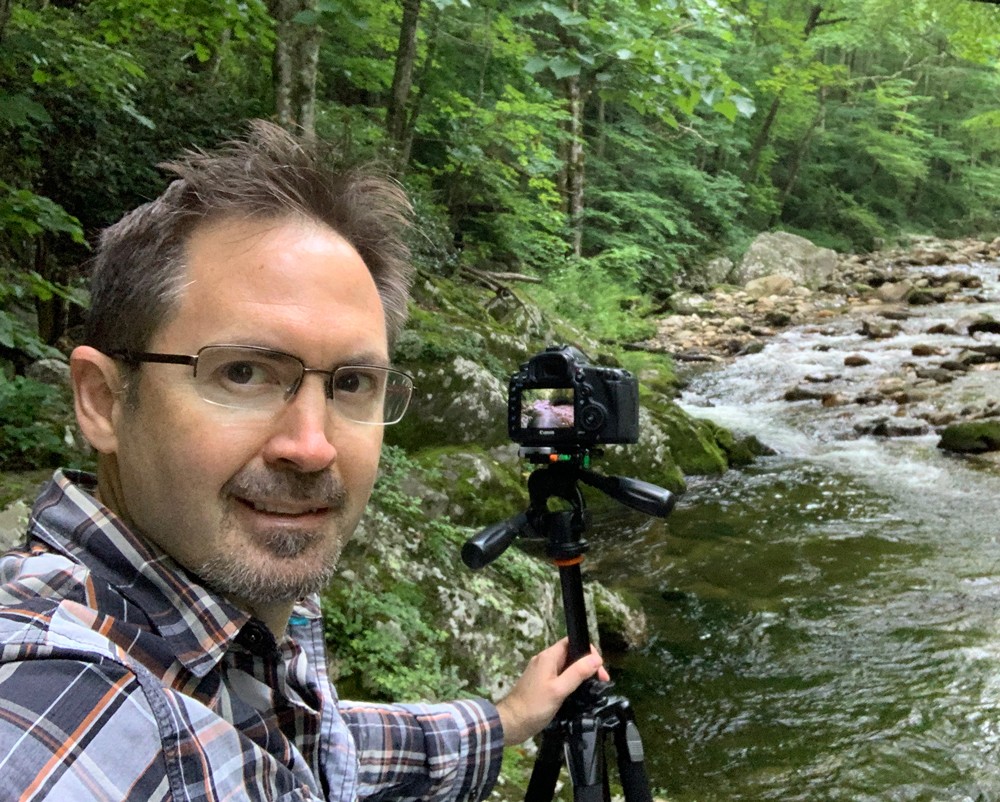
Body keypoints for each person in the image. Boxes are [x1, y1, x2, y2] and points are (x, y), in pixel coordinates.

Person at [0, 121, 608, 801]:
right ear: (104, 401)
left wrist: (505, 719)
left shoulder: (224, 645)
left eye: (350, 383)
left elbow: (314, 745)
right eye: (243, 373)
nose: (311, 445)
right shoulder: (59, 705)